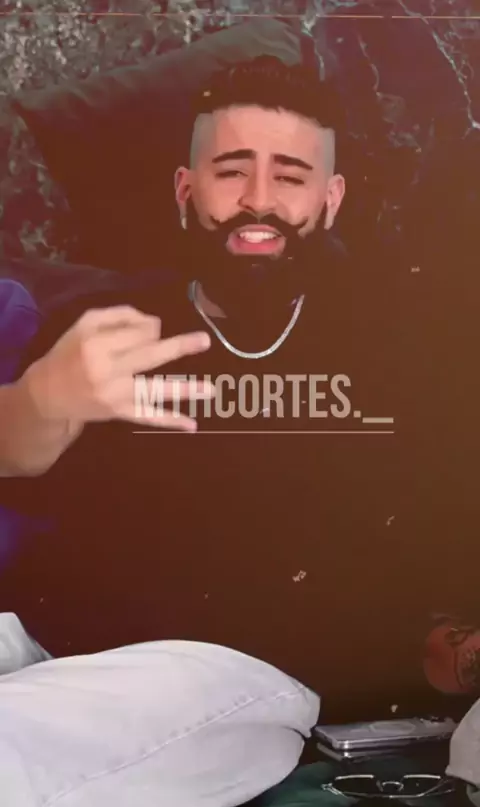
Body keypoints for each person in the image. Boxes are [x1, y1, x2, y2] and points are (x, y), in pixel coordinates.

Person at [0, 56, 477, 718]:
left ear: (330, 198)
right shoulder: (105, 321)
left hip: (215, 675)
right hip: (38, 636)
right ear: (186, 189)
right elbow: (16, 454)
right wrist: (41, 399)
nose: (258, 200)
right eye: (231, 172)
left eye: (290, 176)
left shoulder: (399, 343)